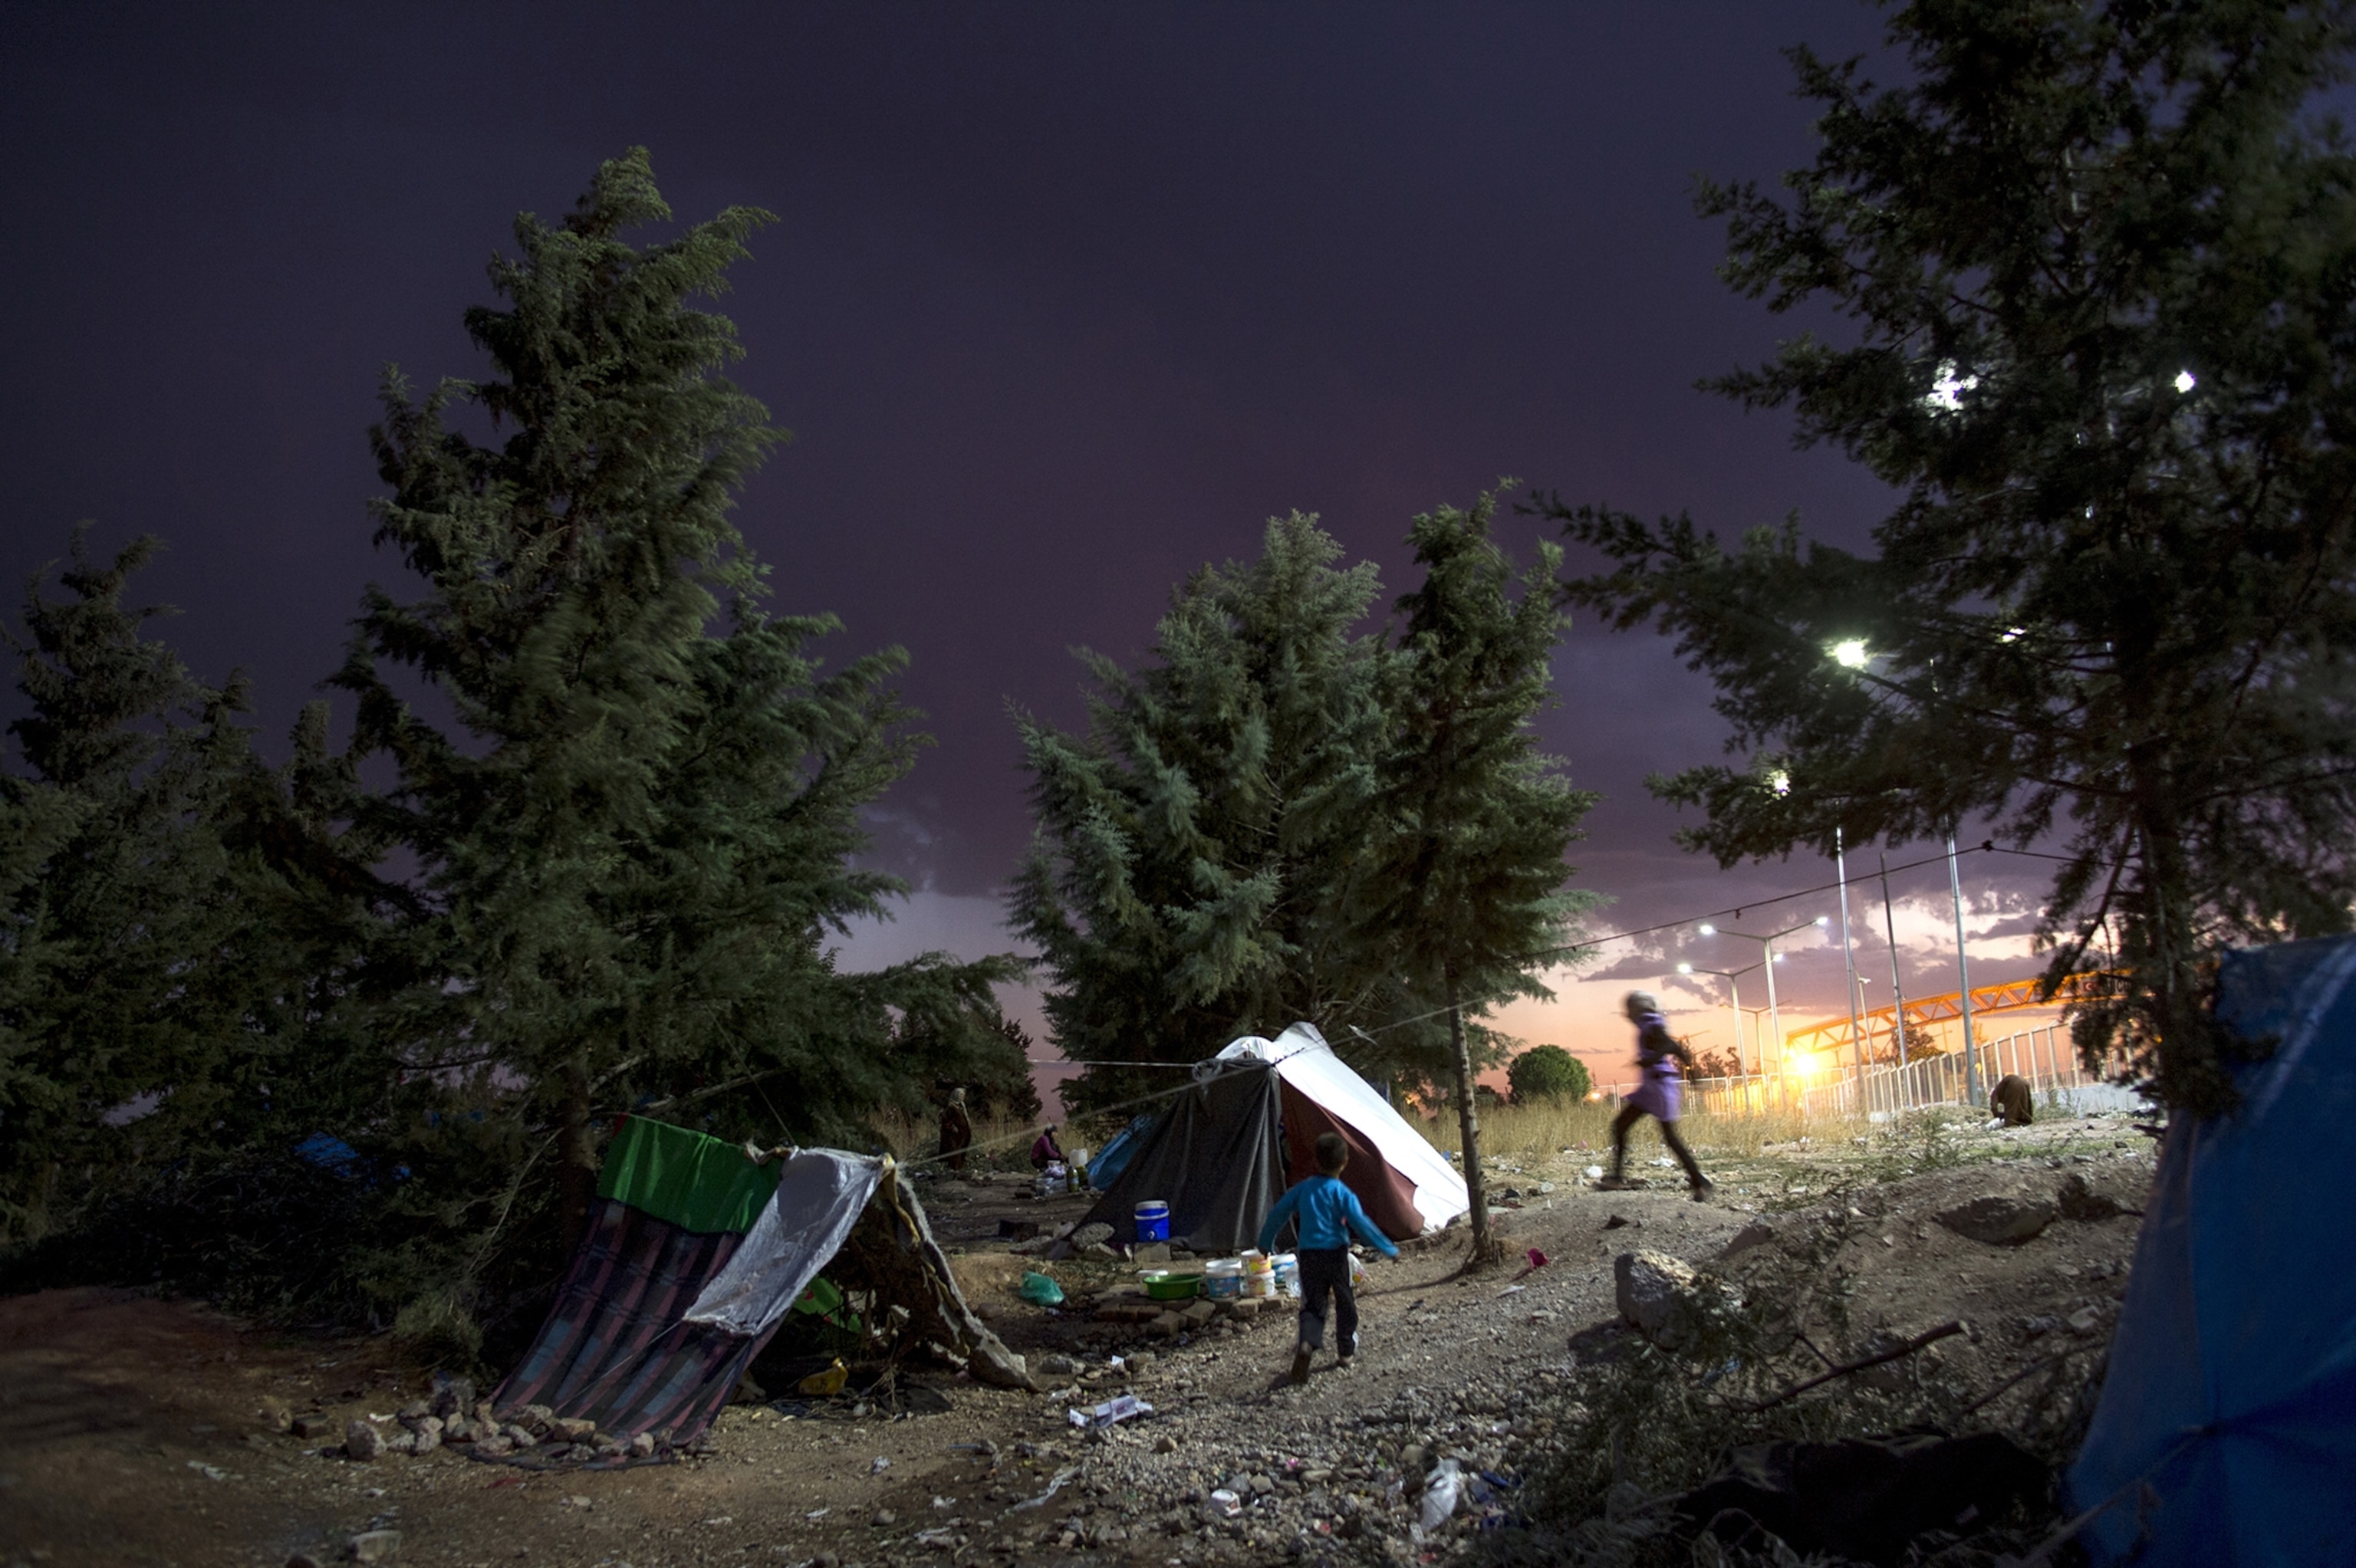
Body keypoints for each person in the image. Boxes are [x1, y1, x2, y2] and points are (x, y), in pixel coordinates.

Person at [1257, 1130, 1400, 1385]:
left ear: (1316, 1161)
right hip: (1336, 1255)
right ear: (1344, 1163)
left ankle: (1307, 1344)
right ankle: (1345, 1351)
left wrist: (1265, 1244)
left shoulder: (1303, 1190)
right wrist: (1388, 1248)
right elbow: (1361, 1223)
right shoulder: (1342, 1193)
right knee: (1345, 1300)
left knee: (1314, 1305)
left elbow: (1277, 1214)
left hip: (1309, 1256)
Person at [1601, 990, 1713, 1201]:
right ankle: (1616, 1177)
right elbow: (1679, 1049)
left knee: (1669, 1138)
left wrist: (1651, 1060)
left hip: (1661, 1087)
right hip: (1652, 1087)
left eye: (1629, 1011)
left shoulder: (1651, 1023)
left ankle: (1701, 1182)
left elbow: (1671, 1045)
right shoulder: (1651, 1024)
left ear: (1636, 1010)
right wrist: (1693, 1076)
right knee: (1621, 1126)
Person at [938, 1086, 972, 1172]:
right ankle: (954, 1170)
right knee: (955, 1152)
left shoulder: (961, 1106)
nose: (962, 1097)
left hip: (963, 1134)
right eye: (960, 1095)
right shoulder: (951, 1106)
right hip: (954, 1136)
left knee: (962, 1151)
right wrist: (953, 1128)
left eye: (963, 1095)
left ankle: (960, 1168)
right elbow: (945, 1120)